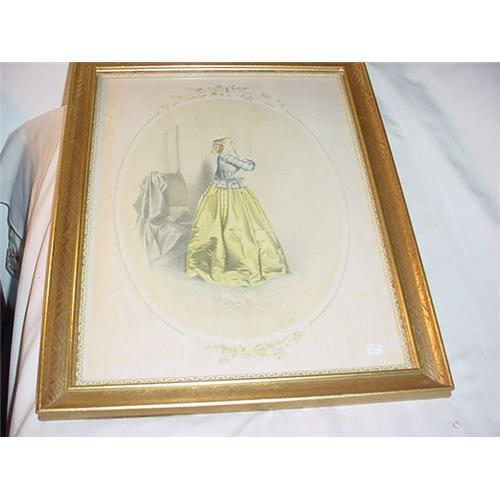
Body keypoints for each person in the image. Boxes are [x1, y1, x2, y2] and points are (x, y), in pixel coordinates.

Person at [186, 137, 288, 286]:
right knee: (230, 227)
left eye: (219, 145)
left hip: (225, 190)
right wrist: (243, 159)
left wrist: (241, 160)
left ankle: (227, 261)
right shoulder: (226, 156)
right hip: (226, 192)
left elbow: (243, 167)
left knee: (235, 226)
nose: (216, 148)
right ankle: (228, 264)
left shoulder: (226, 156)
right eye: (217, 145)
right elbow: (249, 167)